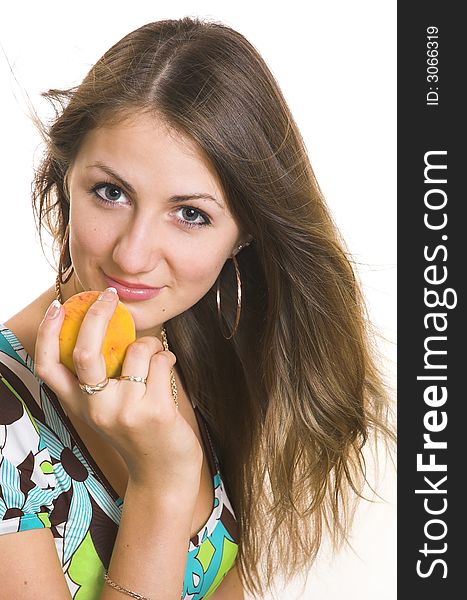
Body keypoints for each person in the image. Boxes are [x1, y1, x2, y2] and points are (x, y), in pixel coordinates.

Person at [0, 16, 394, 600]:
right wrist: (161, 487)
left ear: (242, 236)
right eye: (111, 192)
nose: (132, 255)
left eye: (191, 214)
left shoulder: (194, 344)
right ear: (65, 179)